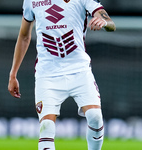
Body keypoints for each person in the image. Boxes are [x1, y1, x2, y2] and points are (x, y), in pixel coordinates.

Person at [8, 0, 116, 149]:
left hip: (79, 71)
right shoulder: (31, 1)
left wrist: (103, 22)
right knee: (46, 126)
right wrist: (13, 74)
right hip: (47, 74)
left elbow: (111, 24)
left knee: (95, 117)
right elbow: (24, 36)